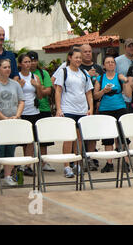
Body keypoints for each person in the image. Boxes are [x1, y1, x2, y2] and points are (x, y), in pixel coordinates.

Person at [53, 48, 94, 178]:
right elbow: (58, 91)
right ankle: (66, 166)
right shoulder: (63, 72)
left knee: (79, 139)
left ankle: (77, 163)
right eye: (76, 57)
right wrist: (59, 109)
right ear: (70, 58)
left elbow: (88, 92)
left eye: (80, 58)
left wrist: (90, 108)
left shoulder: (84, 73)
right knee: (68, 139)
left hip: (81, 110)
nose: (78, 60)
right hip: (68, 109)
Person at [0, 59, 25, 188]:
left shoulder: (15, 84)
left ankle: (8, 176)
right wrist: (2, 118)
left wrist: (17, 116)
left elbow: (21, 101)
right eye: (5, 67)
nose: (8, 69)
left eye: (9, 67)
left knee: (10, 150)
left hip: (12, 123)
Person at [93, 55, 128, 173]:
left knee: (122, 137)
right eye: (108, 62)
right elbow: (95, 95)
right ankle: (109, 163)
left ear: (115, 64)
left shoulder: (119, 77)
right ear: (104, 65)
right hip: (105, 109)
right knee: (108, 138)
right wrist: (103, 91)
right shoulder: (100, 78)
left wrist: (126, 80)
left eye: (112, 62)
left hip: (120, 107)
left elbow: (128, 93)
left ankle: (125, 162)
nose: (110, 64)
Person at [27, 51, 56, 172]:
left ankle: (44, 162)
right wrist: (40, 88)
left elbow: (48, 91)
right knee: (29, 139)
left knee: (44, 139)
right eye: (30, 60)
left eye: (34, 60)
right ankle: (28, 163)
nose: (32, 63)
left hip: (43, 108)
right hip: (28, 110)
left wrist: (38, 88)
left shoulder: (43, 73)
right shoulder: (23, 74)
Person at [17, 54, 43, 177]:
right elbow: (14, 95)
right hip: (21, 112)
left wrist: (37, 86)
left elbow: (40, 96)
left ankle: (28, 165)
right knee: (21, 140)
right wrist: (19, 87)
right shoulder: (17, 77)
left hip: (34, 111)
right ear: (20, 64)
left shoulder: (35, 77)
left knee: (31, 141)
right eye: (26, 62)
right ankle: (16, 165)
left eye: (30, 61)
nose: (28, 64)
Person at [79, 44, 104, 171]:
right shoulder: (78, 67)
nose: (88, 54)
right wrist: (87, 75)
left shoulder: (98, 67)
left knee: (92, 133)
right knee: (80, 134)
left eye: (89, 51)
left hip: (95, 104)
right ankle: (78, 159)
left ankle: (90, 158)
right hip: (80, 105)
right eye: (85, 52)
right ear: (81, 53)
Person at [115, 38, 133, 112]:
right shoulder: (117, 60)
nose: (131, 48)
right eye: (129, 46)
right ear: (125, 48)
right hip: (123, 98)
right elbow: (113, 76)